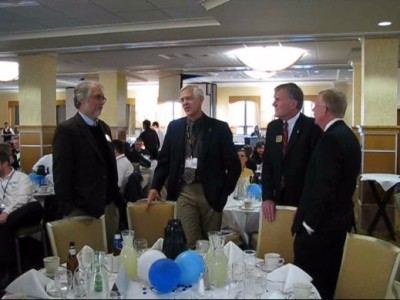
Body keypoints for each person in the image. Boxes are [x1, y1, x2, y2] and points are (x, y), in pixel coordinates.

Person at [147, 85, 241, 248]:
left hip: (211, 192)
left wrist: (224, 191)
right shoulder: (175, 127)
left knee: (212, 244)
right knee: (190, 242)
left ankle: (211, 273)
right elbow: (164, 161)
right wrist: (155, 186)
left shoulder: (219, 128)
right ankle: (194, 272)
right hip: (184, 191)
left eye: (189, 98)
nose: (185, 103)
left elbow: (234, 165)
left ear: (201, 99)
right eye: (182, 100)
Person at [291, 88, 361, 299]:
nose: (313, 110)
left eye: (316, 106)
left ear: (325, 110)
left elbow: (323, 187)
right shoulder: (348, 135)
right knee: (329, 277)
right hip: (337, 221)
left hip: (321, 228)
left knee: (312, 282)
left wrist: (308, 224)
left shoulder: (331, 139)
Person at [52, 81, 123, 252]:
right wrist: (70, 210)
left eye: (103, 98)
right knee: (88, 261)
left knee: (111, 257)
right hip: (83, 210)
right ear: (81, 100)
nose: (102, 102)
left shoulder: (104, 128)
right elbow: (61, 174)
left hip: (109, 206)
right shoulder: (67, 130)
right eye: (98, 97)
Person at [262, 83, 322, 222]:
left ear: (293, 104)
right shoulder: (273, 127)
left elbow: (316, 169)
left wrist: (308, 203)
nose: (273, 104)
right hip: (277, 201)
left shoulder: (312, 127)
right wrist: (268, 197)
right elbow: (268, 165)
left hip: (303, 200)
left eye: (278, 99)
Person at [0, 151, 43, 288]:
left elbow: (22, 199)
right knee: (5, 226)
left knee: (32, 207)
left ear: (5, 163)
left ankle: (7, 270)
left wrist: (6, 213)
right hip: (8, 218)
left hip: (27, 211)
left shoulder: (21, 177)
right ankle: (9, 269)